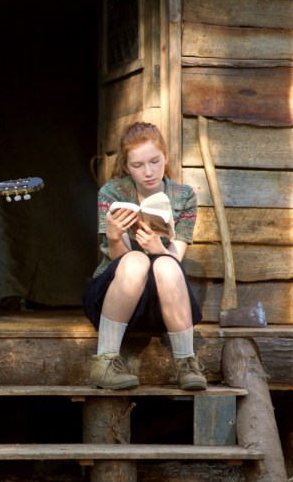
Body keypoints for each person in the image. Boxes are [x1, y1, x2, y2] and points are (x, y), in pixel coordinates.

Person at [82, 121, 206, 391]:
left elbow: (177, 255)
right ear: (127, 166)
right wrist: (115, 236)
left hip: (163, 302)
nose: (148, 172)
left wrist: (158, 249)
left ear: (166, 158)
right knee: (136, 261)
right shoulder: (112, 192)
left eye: (154, 161)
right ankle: (105, 363)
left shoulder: (184, 196)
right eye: (138, 165)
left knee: (164, 264)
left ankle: (186, 363)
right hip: (114, 298)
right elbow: (119, 262)